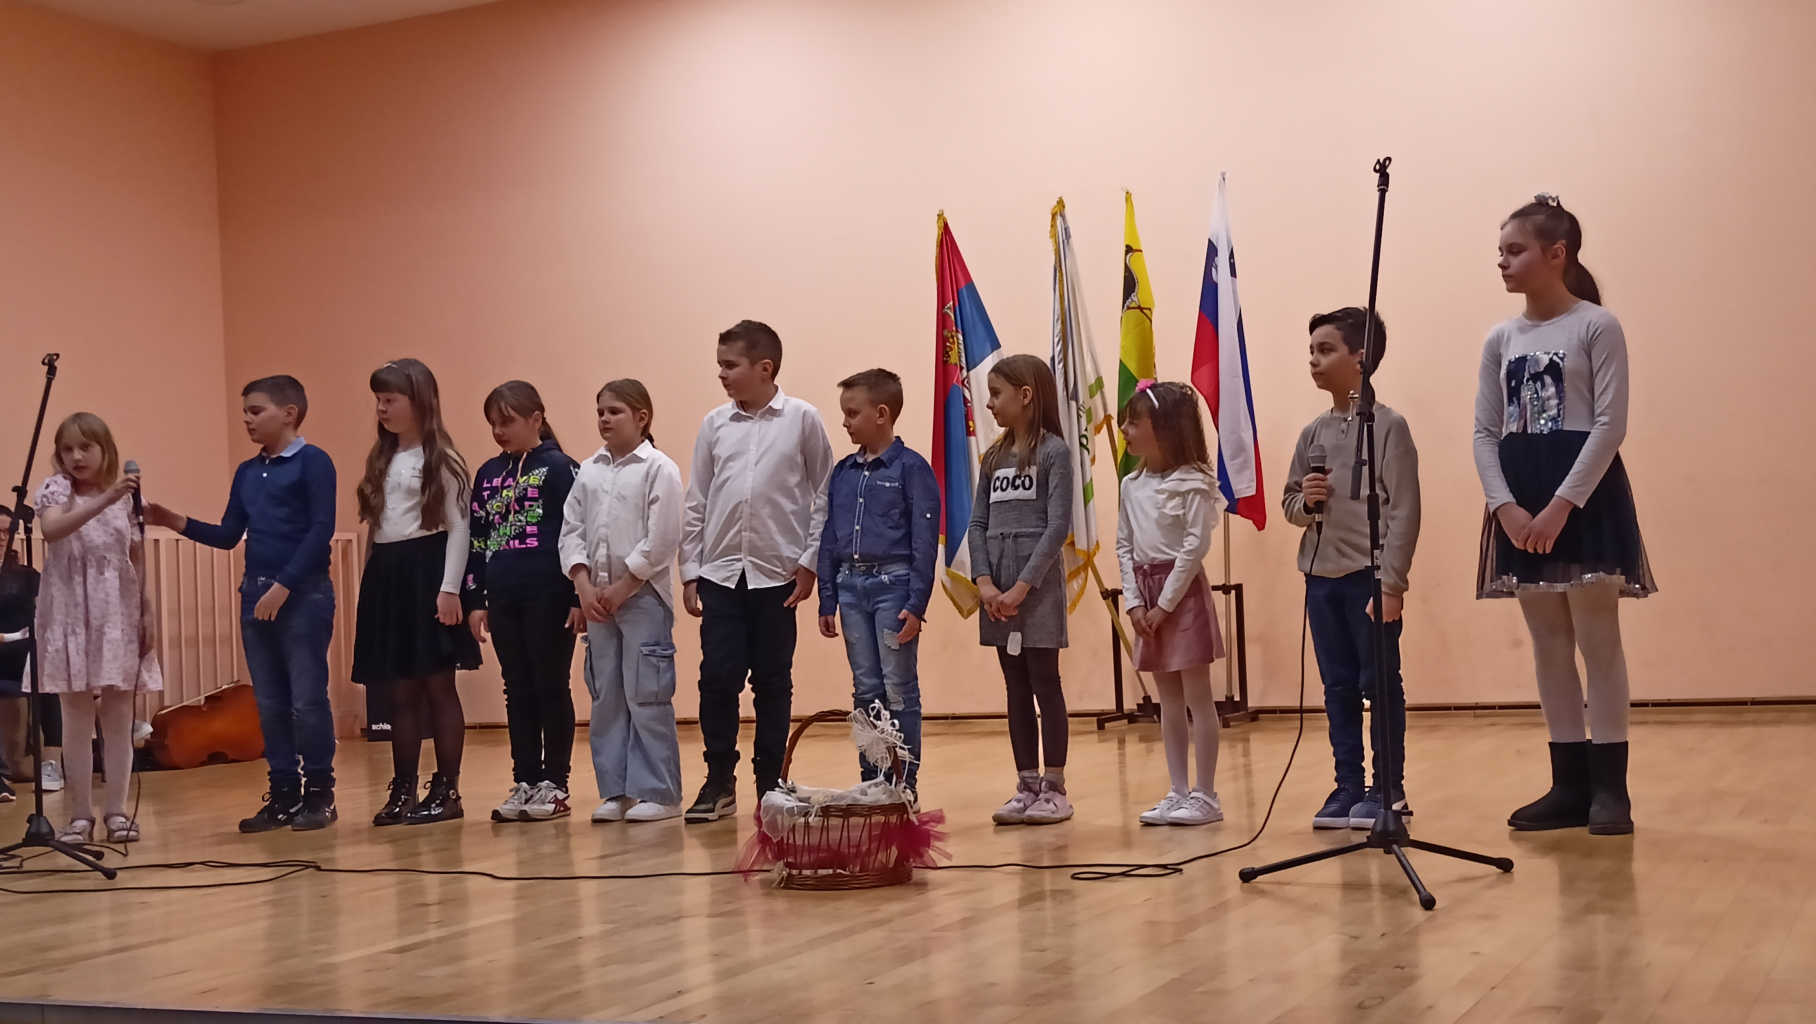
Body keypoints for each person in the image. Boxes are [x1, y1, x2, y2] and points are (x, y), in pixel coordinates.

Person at [1475, 195, 1654, 836]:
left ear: (1557, 254)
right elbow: (1485, 431)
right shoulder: (1501, 338)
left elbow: (1609, 425)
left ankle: (1610, 790)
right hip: (1520, 497)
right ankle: (1568, 785)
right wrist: (1504, 506)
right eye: (1500, 251)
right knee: (1548, 642)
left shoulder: (1596, 326)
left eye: (1515, 250)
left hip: (1582, 494)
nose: (1502, 261)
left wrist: (1559, 507)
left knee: (1597, 639)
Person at [145, 376, 340, 832]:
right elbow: (229, 534)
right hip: (255, 593)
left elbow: (321, 529)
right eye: (245, 412)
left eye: (256, 411)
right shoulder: (248, 472)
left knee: (308, 699)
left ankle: (320, 793)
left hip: (303, 593)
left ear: (288, 413)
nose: (247, 420)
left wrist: (284, 585)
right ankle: (284, 793)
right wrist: (174, 520)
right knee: (269, 702)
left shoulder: (314, 462)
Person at [679, 320, 834, 823]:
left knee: (772, 681)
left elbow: (824, 494)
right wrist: (690, 569)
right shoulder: (714, 424)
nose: (721, 374)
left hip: (778, 575)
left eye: (731, 365)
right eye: (720, 364)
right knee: (716, 678)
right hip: (721, 574)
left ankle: (771, 783)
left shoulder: (802, 419)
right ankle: (718, 781)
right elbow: (698, 499)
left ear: (764, 368)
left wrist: (809, 562)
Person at [1282, 308, 1422, 830]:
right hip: (1321, 579)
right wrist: (1307, 501)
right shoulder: (1312, 433)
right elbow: (1290, 504)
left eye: (1326, 350)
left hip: (1370, 578)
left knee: (1378, 683)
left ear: (1360, 358)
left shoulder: (1388, 427)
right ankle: (1348, 785)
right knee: (1337, 686)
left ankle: (1388, 788)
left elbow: (1404, 510)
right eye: (1311, 351)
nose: (1314, 360)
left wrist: (1392, 583)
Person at [352, 359, 480, 826]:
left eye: (390, 400)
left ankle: (447, 789)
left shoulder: (442, 459)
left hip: (428, 572)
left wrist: (450, 590)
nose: (382, 409)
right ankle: (403, 787)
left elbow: (459, 527)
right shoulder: (381, 457)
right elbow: (377, 528)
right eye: (378, 401)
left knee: (437, 686)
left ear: (419, 402)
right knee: (399, 690)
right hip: (388, 576)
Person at [33, 413, 163, 843]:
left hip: (116, 614)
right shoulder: (57, 489)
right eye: (67, 448)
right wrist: (107, 497)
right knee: (75, 717)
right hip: (69, 612)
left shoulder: (128, 499)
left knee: (118, 716)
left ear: (105, 449)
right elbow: (52, 530)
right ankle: (80, 815)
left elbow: (136, 558)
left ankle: (117, 813)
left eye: (85, 447)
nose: (76, 456)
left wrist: (146, 612)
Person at [561, 379, 686, 823]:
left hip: (641, 596)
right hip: (596, 598)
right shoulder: (589, 470)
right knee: (607, 695)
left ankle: (659, 792)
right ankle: (616, 791)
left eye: (614, 411)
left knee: (646, 694)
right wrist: (582, 584)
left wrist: (624, 584)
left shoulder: (658, 469)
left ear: (641, 417)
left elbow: (662, 538)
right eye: (600, 411)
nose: (604, 419)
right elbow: (571, 531)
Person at [464, 382, 583, 824]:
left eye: (507, 421)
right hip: (503, 595)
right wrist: (476, 597)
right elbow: (478, 538)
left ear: (536, 419)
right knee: (516, 688)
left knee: (551, 684)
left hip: (549, 594)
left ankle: (555, 783)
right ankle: (526, 779)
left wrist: (577, 595)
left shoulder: (562, 469)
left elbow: (579, 535)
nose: (498, 431)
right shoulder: (488, 473)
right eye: (493, 423)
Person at [815, 369, 938, 793]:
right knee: (865, 688)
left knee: (898, 687)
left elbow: (924, 541)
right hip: (850, 588)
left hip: (894, 587)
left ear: (881, 414)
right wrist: (827, 596)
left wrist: (917, 603)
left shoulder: (911, 468)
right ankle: (872, 780)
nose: (845, 422)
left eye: (853, 413)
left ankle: (903, 782)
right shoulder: (844, 472)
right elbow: (830, 536)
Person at [1116, 380, 1228, 827]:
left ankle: (1206, 795)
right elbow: (1124, 546)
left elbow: (1194, 547)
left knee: (1198, 696)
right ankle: (1177, 791)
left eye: (1133, 422)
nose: (1124, 430)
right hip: (1146, 598)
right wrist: (1134, 603)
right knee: (1168, 698)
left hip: (1180, 595)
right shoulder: (1130, 485)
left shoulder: (1193, 483)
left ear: (1163, 428)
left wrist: (1163, 605)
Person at [970, 354, 1074, 826]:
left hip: (1037, 588)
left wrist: (1022, 587)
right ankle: (1026, 784)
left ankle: (1054, 787)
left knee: (1044, 682)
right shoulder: (993, 458)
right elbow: (977, 523)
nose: (989, 403)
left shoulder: (1054, 453)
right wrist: (985, 583)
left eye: (997, 394)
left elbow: (1056, 527)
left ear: (1026, 395)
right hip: (997, 589)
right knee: (1014, 686)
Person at [0, 506, 60, 802]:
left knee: (44, 661)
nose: (2, 537)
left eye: (7, 531)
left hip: (25, 651)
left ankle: (52, 764)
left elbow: (47, 615)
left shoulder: (26, 576)